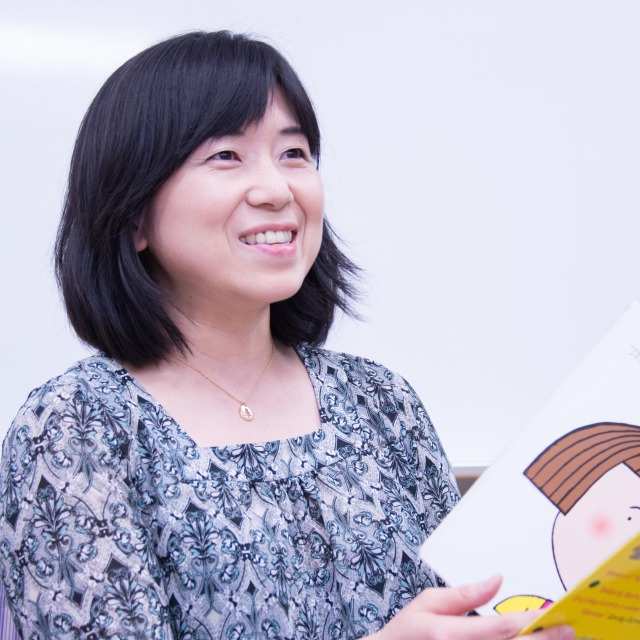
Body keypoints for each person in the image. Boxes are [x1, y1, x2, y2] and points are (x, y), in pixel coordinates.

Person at [0, 31, 574, 640]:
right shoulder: (75, 427)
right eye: (226, 155)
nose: (278, 190)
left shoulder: (383, 402)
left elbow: (471, 611)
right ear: (135, 213)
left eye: (294, 153)